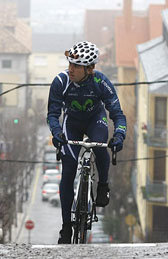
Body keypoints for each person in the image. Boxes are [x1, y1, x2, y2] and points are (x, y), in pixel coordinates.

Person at [47, 41, 127, 244]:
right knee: (68, 171)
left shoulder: (101, 82)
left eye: (76, 66)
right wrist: (56, 132)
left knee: (100, 146)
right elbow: (53, 114)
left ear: (89, 69)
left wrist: (119, 135)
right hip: (71, 123)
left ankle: (103, 184)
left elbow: (117, 114)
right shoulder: (61, 81)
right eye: (70, 64)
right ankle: (66, 228)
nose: (71, 69)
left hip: (95, 121)